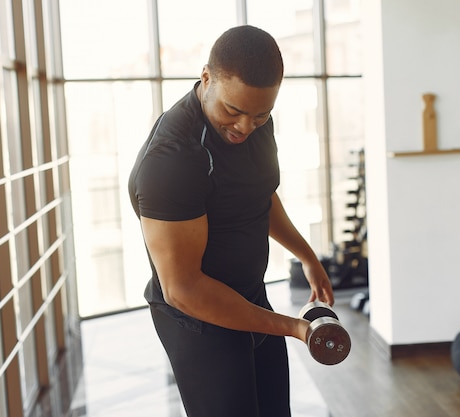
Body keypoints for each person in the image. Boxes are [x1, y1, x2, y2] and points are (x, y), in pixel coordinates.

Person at [128, 25, 335, 417]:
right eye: (233, 111)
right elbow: (183, 289)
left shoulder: (255, 120)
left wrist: (306, 254)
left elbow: (258, 194)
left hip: (250, 297)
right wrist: (293, 328)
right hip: (199, 322)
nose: (244, 127)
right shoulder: (172, 162)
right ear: (206, 78)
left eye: (261, 114)